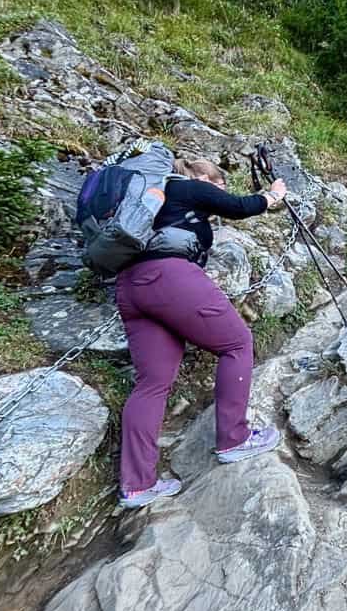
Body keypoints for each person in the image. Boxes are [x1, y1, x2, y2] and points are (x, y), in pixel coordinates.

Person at [116, 156, 288, 509]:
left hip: (131, 286)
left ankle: (137, 485)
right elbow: (239, 207)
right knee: (237, 343)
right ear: (203, 176)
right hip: (169, 277)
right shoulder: (183, 185)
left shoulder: (153, 201)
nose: (218, 192)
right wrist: (272, 196)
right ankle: (234, 440)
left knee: (152, 382)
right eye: (218, 183)